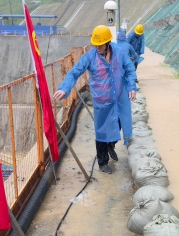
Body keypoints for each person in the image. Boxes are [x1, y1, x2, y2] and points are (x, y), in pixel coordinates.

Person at [53, 25, 137, 174]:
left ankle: (112, 145)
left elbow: (130, 70)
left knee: (119, 124)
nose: (97, 47)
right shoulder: (90, 57)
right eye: (95, 45)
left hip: (118, 98)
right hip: (102, 101)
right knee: (102, 131)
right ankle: (103, 162)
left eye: (100, 45)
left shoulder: (119, 53)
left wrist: (131, 87)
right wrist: (64, 88)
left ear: (108, 43)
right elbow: (74, 73)